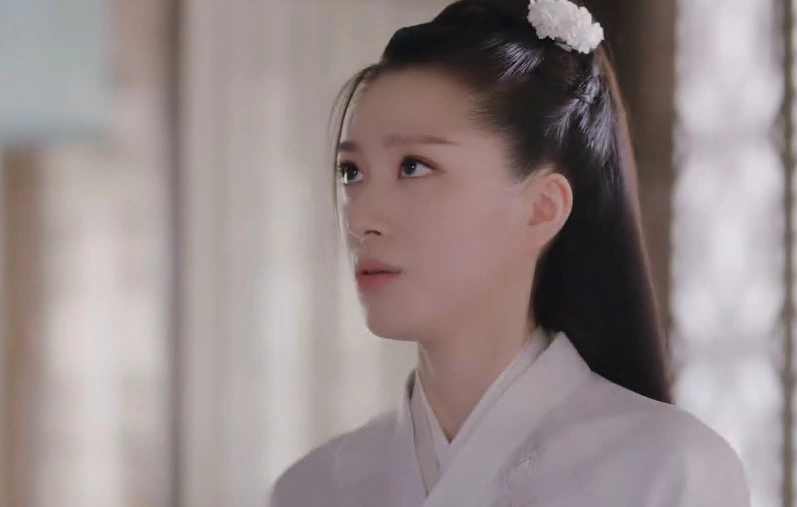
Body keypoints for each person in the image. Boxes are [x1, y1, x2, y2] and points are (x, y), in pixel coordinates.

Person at [272, 0, 750, 505]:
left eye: (414, 166)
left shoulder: (668, 469)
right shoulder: (311, 489)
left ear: (542, 208)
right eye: (352, 172)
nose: (362, 217)